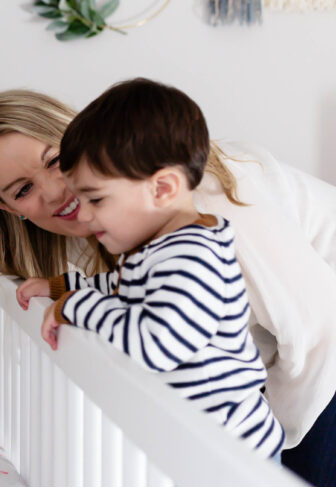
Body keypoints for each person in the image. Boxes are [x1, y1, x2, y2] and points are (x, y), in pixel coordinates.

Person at [0, 88, 336, 487]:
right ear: (8, 209)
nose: (54, 192)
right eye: (22, 190)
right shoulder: (109, 225)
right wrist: (63, 288)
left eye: (55, 160)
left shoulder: (197, 207)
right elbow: (130, 290)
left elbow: (320, 332)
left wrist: (270, 448)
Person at [16, 78, 283, 458]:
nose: (85, 215)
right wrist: (60, 287)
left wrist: (75, 306)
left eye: (95, 199)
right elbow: (123, 287)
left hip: (232, 450)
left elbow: (157, 343)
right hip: (198, 445)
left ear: (162, 189)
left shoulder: (194, 258)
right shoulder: (160, 250)